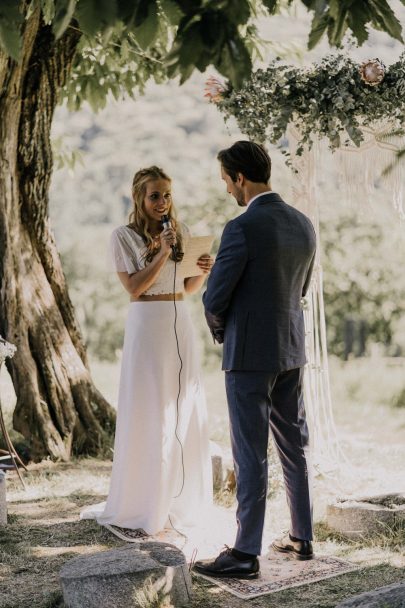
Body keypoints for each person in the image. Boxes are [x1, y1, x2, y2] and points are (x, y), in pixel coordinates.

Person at [193, 141, 316, 579]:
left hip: (247, 354)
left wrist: (224, 332)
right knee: (293, 445)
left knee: (249, 453)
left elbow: (213, 298)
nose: (227, 189)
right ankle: (302, 536)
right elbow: (297, 291)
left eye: (226, 180)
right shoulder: (304, 224)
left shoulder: (241, 227)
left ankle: (245, 552)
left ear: (240, 178)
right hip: (290, 349)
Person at [81, 166, 213, 535]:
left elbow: (187, 288)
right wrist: (162, 252)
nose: (162, 202)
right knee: (149, 407)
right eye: (154, 195)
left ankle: (179, 498)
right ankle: (142, 501)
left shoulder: (181, 232)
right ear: (139, 197)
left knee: (181, 403)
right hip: (146, 323)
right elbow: (135, 287)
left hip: (178, 321)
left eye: (167, 195)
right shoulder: (122, 237)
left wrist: (203, 269)